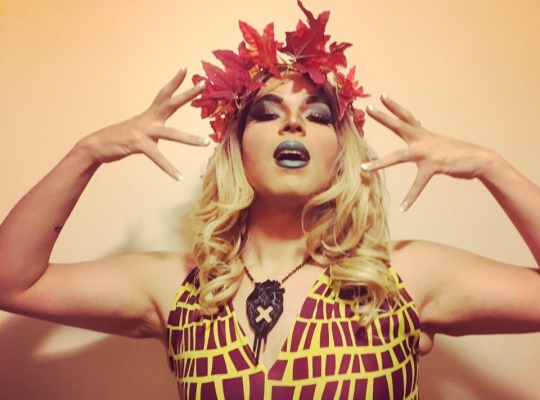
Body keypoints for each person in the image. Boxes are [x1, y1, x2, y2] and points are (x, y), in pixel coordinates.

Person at [1, 2, 539, 399]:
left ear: (341, 155)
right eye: (266, 112)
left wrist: (491, 166)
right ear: (237, 148)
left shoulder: (400, 278)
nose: (293, 123)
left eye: (318, 115)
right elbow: (12, 281)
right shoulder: (184, 289)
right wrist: (86, 153)